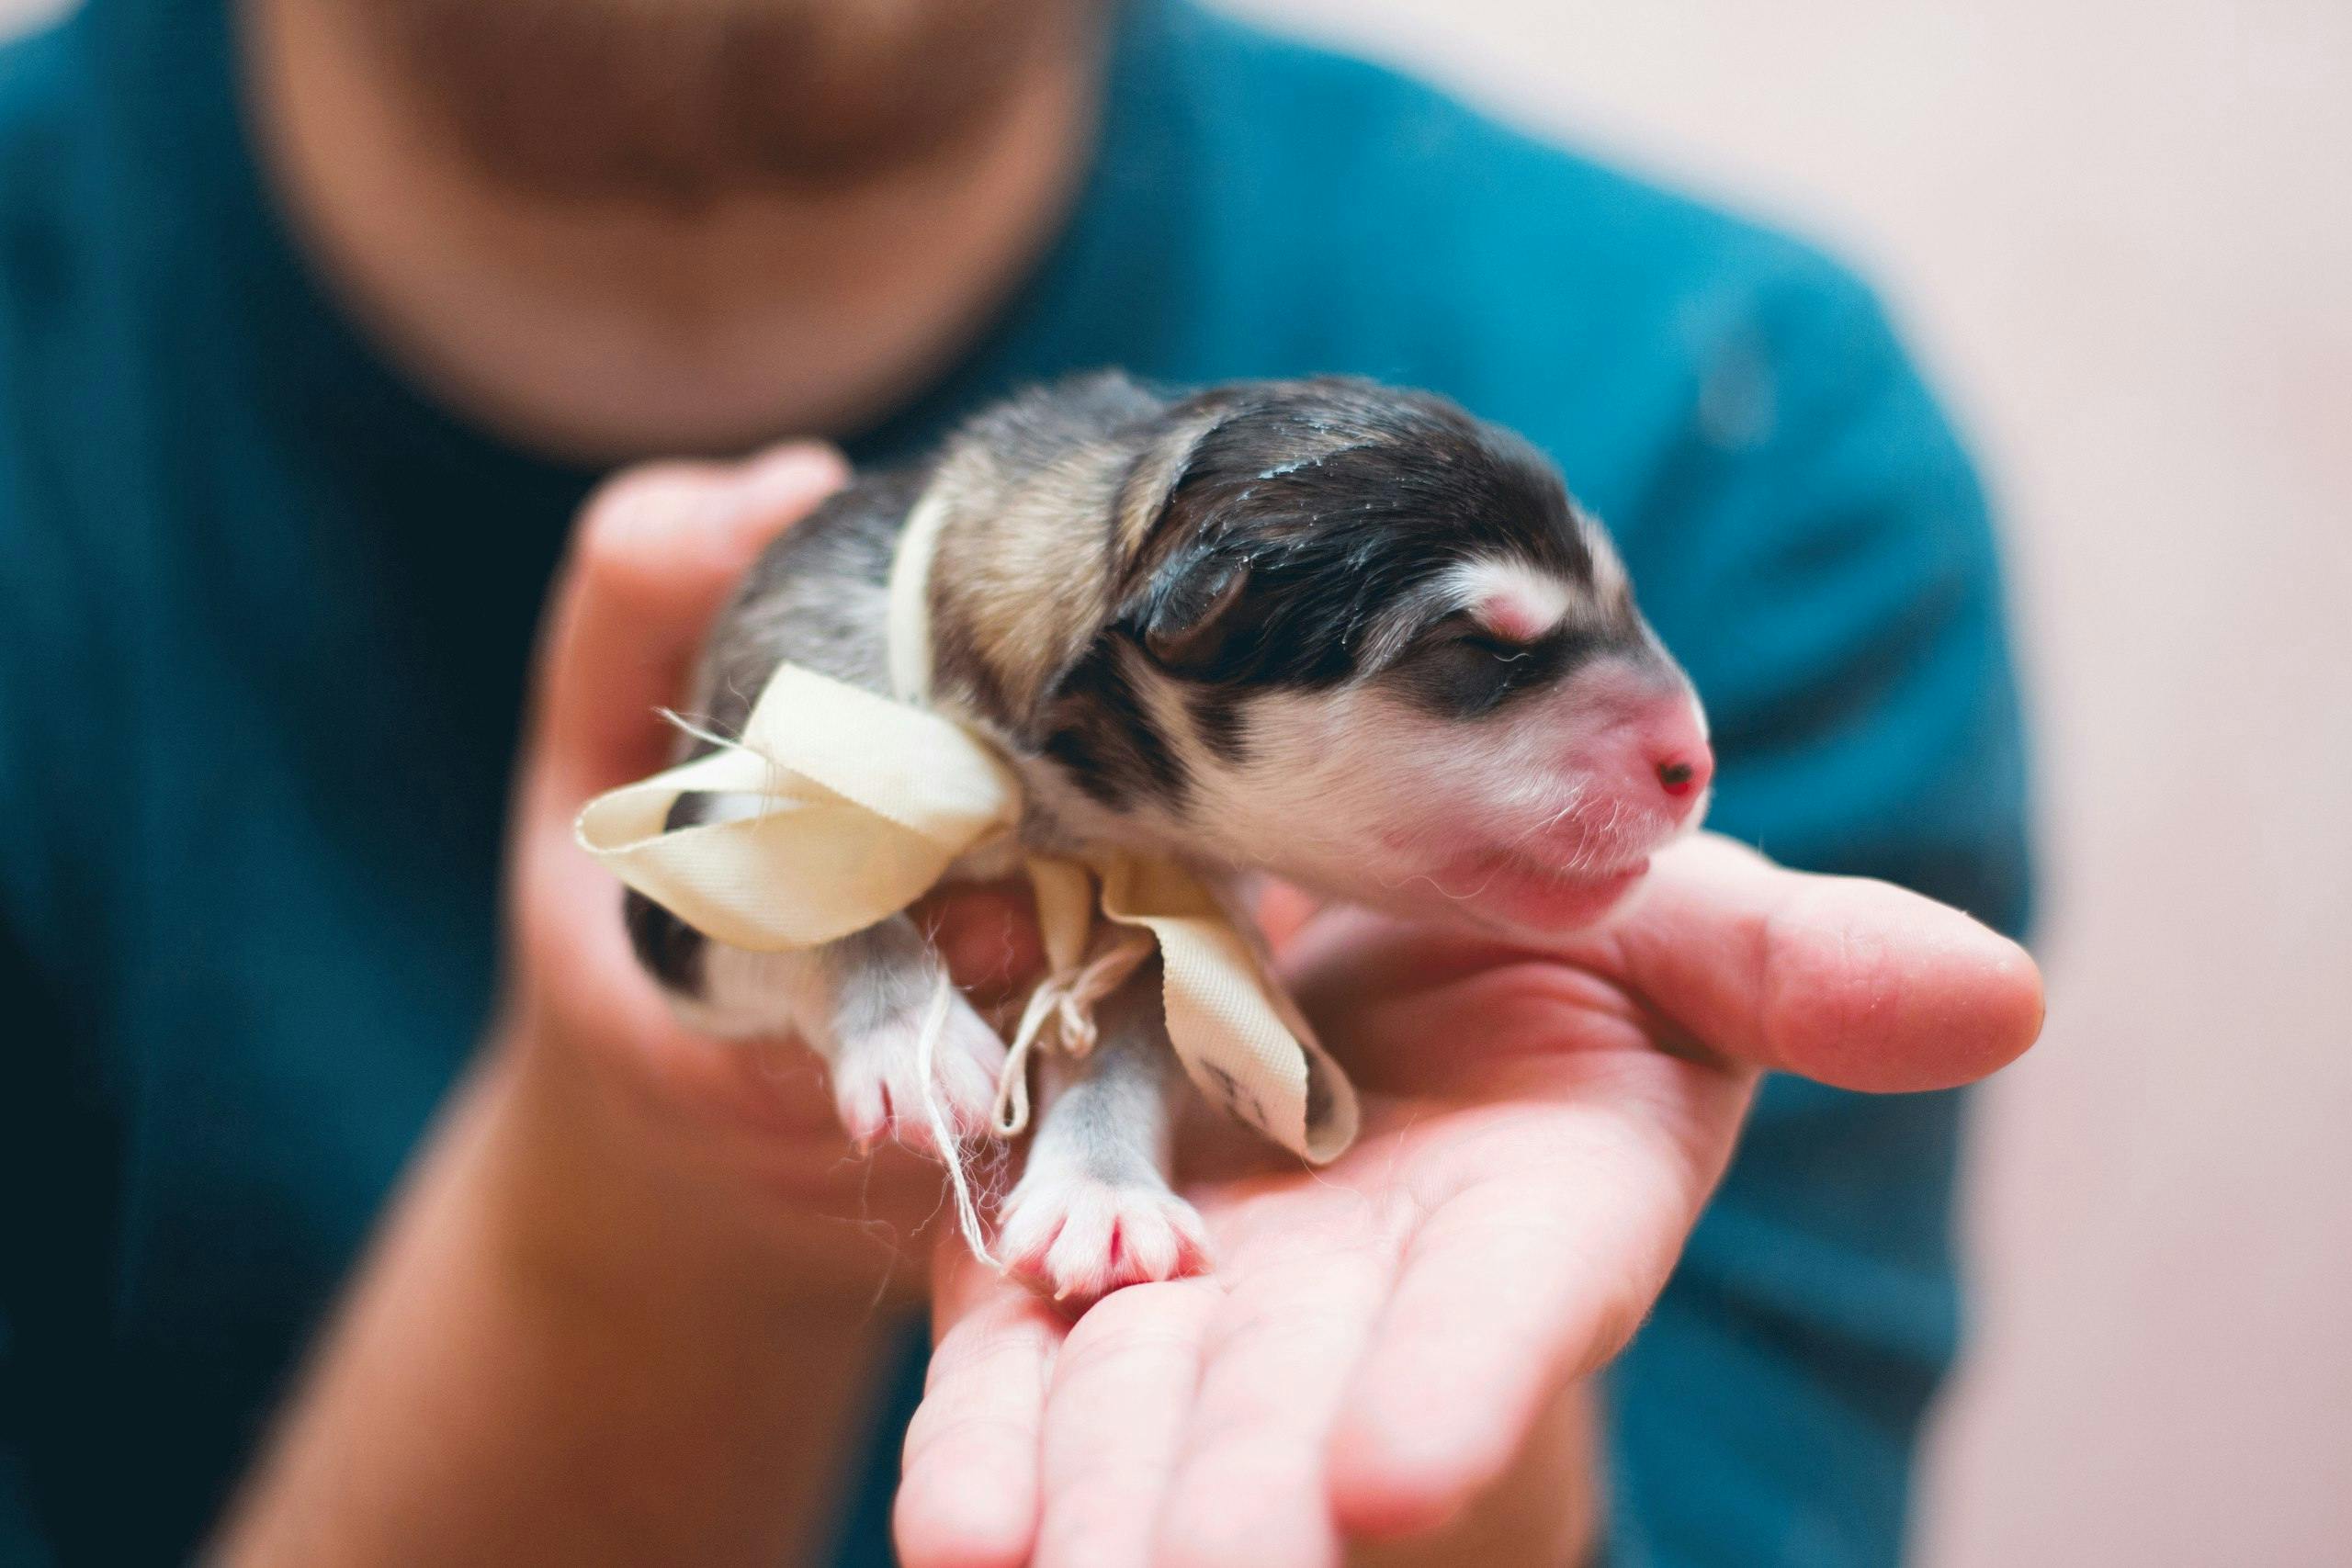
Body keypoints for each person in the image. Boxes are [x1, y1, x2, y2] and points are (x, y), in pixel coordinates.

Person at [0, 0, 2041, 1562]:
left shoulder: (1741, 424)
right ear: (1177, 632)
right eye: (1475, 664)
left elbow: (1158, 948)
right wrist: (637, 1228)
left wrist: (1455, 1472)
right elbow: (787, 891)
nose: (1661, 754)